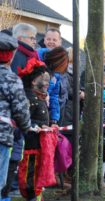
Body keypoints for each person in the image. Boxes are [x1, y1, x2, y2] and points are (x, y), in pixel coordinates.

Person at [18, 58, 57, 201]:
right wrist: (40, 126)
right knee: (30, 173)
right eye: (44, 79)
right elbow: (24, 120)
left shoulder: (38, 97)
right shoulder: (30, 97)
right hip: (30, 145)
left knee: (37, 172)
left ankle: (35, 196)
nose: (47, 83)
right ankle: (31, 197)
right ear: (34, 81)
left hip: (38, 144)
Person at [0, 32, 31, 200]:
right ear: (10, 57)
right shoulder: (11, 79)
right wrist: (26, 127)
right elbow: (20, 109)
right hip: (2, 136)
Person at [44, 46, 69, 126]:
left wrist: (54, 119)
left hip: (47, 113)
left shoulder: (56, 76)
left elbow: (54, 96)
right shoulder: (42, 70)